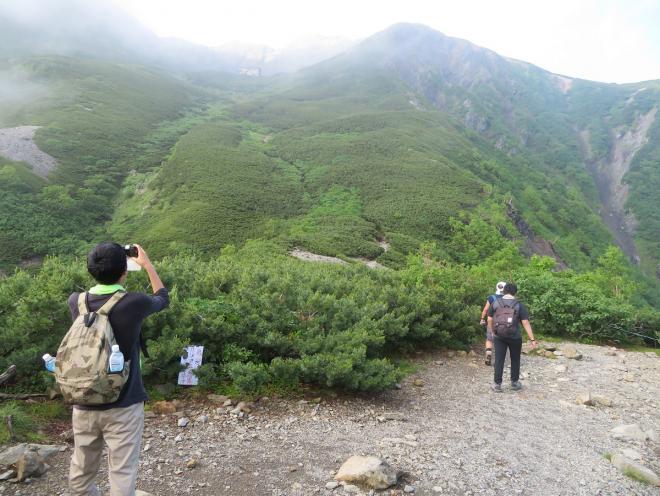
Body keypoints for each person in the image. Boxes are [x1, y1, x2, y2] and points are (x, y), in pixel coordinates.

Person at [67, 243, 169, 496]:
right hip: (124, 403)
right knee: (122, 470)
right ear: (124, 271)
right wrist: (146, 264)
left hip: (83, 400)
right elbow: (163, 297)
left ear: (91, 270)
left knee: (82, 468)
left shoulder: (76, 301)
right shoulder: (133, 302)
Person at [487, 282, 537, 391]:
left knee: (499, 359)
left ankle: (497, 384)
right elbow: (525, 322)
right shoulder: (519, 305)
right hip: (515, 336)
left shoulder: (495, 303)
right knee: (515, 359)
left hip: (499, 336)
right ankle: (514, 383)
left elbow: (489, 319)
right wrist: (532, 339)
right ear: (515, 292)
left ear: (504, 291)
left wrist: (492, 331)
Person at [479, 281, 506, 366]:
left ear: (497, 287)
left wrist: (482, 318)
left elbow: (485, 310)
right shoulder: (508, 298)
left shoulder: (491, 297)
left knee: (489, 339)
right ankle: (499, 359)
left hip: (492, 321)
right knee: (502, 340)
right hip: (504, 322)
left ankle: (489, 352)